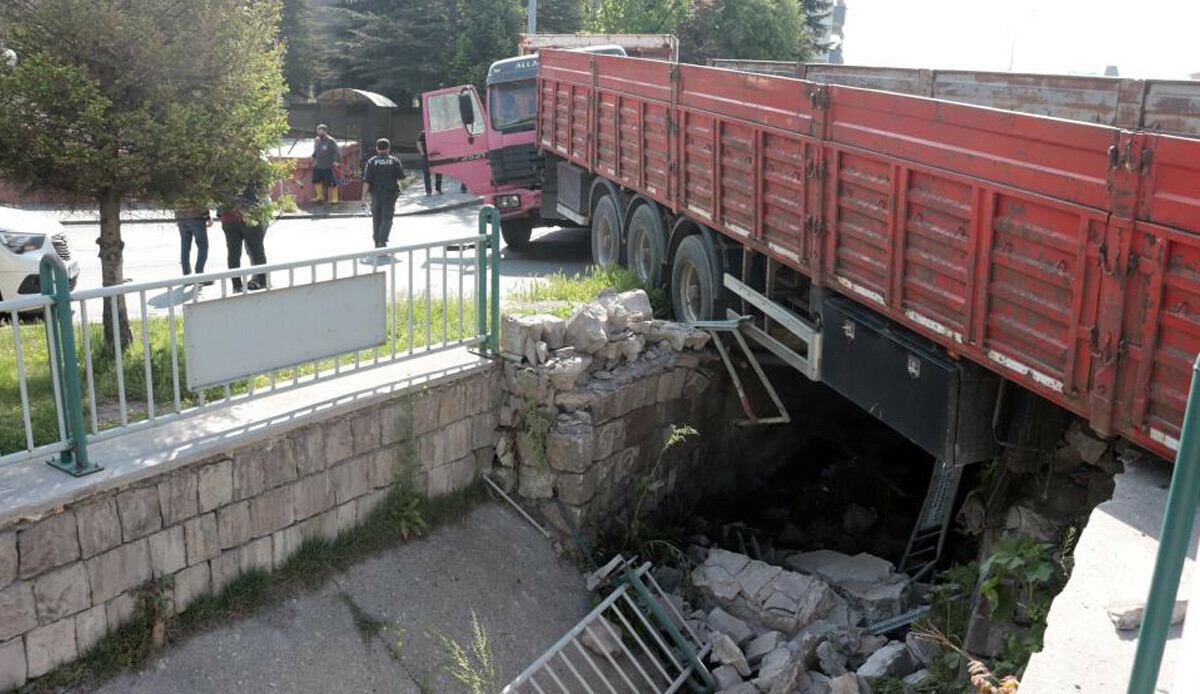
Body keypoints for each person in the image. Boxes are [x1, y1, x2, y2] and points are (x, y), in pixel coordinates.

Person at [218, 184, 270, 291]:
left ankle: (237, 286)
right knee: (257, 250)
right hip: (250, 214)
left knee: (233, 253)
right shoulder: (251, 169)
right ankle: (262, 281)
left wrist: (220, 212)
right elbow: (263, 187)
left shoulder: (222, 171)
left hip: (229, 217)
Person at [362, 138, 406, 252]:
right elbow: (402, 179)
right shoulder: (395, 161)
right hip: (390, 195)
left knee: (376, 218)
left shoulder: (371, 161)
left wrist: (363, 198)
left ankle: (377, 240)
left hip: (375, 194)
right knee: (387, 218)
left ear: (377, 148)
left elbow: (367, 181)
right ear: (389, 148)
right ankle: (382, 240)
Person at [174, 204, 212, 284]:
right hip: (196, 217)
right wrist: (208, 217)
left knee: (185, 247)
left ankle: (186, 277)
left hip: (181, 218)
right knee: (203, 246)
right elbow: (201, 201)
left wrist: (177, 216)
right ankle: (199, 274)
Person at [311, 124, 341, 204]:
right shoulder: (316, 140)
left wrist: (336, 161)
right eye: (318, 131)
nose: (319, 133)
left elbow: (337, 152)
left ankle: (335, 198)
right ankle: (320, 196)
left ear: (325, 131)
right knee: (316, 180)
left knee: (332, 182)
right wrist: (313, 157)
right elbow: (316, 151)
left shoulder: (331, 141)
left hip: (328, 165)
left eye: (321, 131)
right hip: (318, 164)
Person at [417, 130, 442, 196]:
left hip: (436, 155)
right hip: (426, 156)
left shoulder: (437, 132)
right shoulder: (423, 133)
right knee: (427, 174)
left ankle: (438, 189)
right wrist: (422, 152)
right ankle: (428, 191)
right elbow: (418, 143)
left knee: (439, 173)